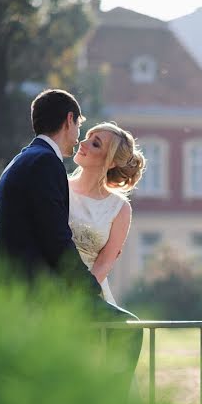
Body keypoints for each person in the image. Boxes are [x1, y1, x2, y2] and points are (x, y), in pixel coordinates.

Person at [0, 89, 142, 394]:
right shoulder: (47, 165)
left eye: (95, 142)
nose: (80, 138)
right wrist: (79, 295)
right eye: (81, 129)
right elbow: (55, 241)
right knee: (127, 332)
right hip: (41, 290)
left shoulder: (25, 159)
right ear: (69, 120)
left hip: (52, 285)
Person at [66, 122, 145, 306]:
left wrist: (78, 298)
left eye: (95, 144)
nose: (82, 143)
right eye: (87, 137)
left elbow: (104, 264)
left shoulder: (120, 208)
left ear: (111, 162)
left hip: (89, 297)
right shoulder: (58, 187)